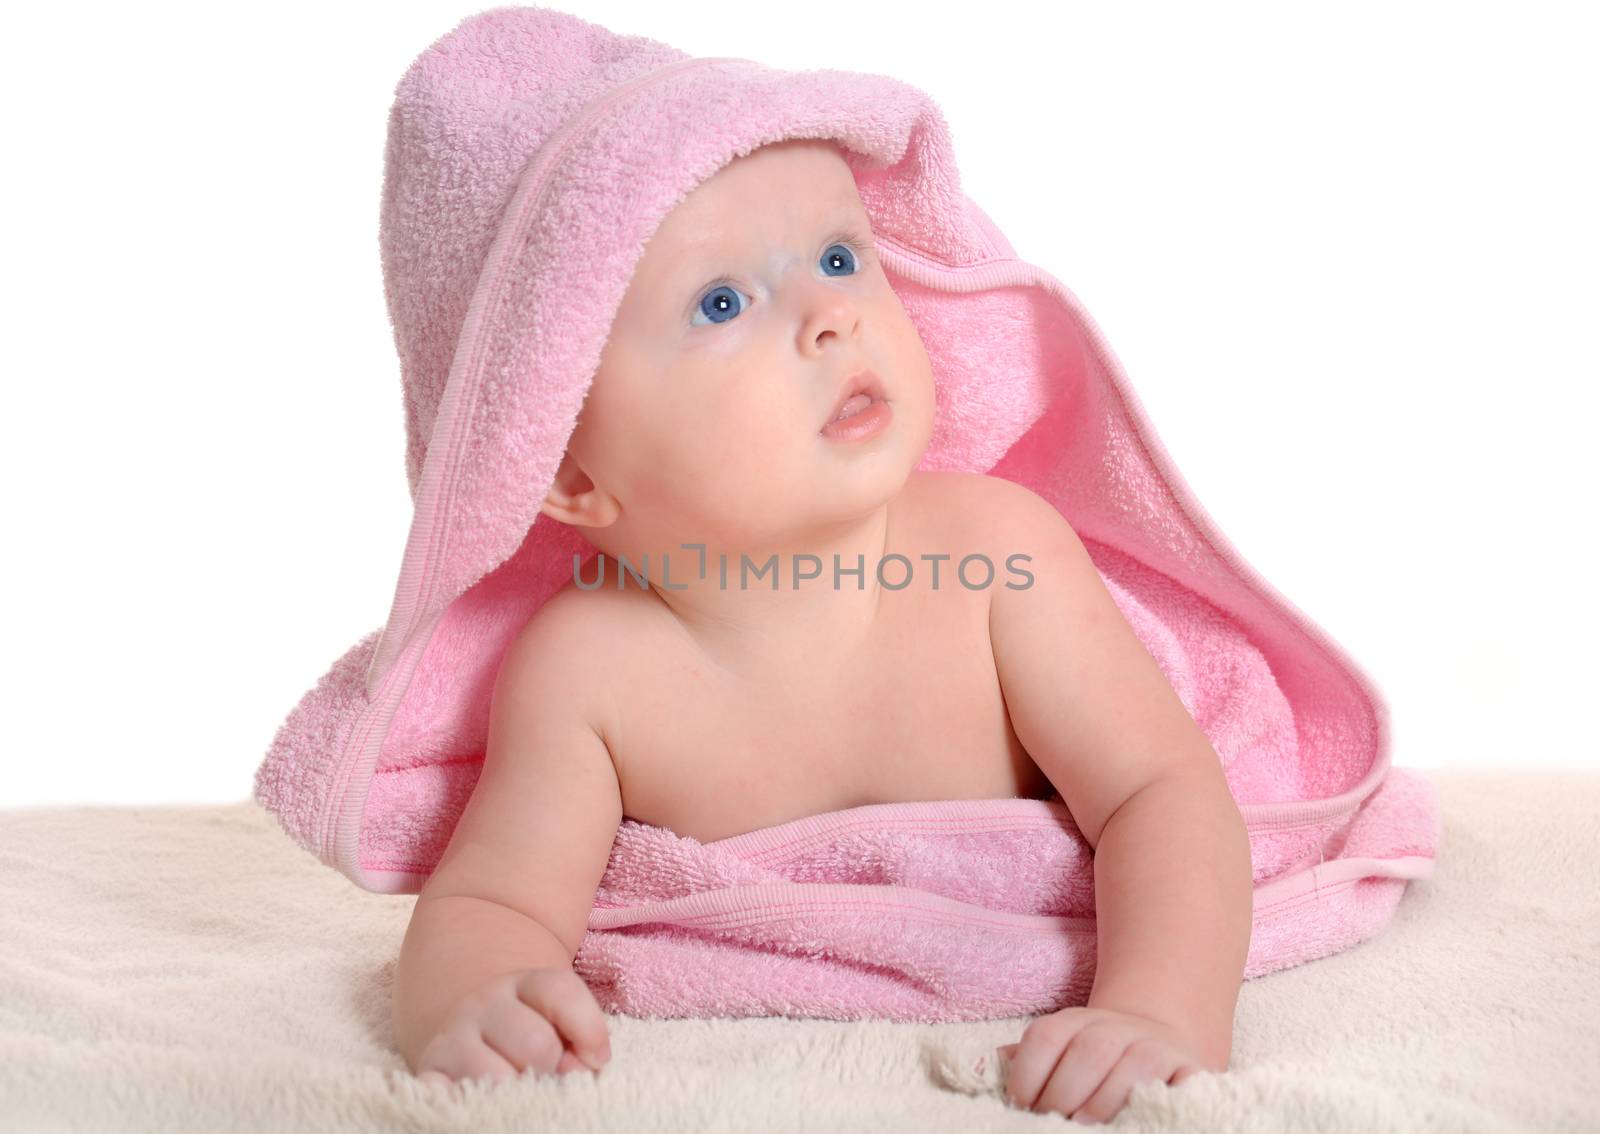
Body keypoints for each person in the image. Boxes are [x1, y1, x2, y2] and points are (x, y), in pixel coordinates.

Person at [391, 137, 1253, 1124]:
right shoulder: (586, 669)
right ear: (572, 471)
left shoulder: (997, 560)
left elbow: (1161, 790)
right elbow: (495, 902)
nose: (833, 314)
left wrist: (1156, 1008)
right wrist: (475, 1000)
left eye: (840, 258)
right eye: (722, 301)